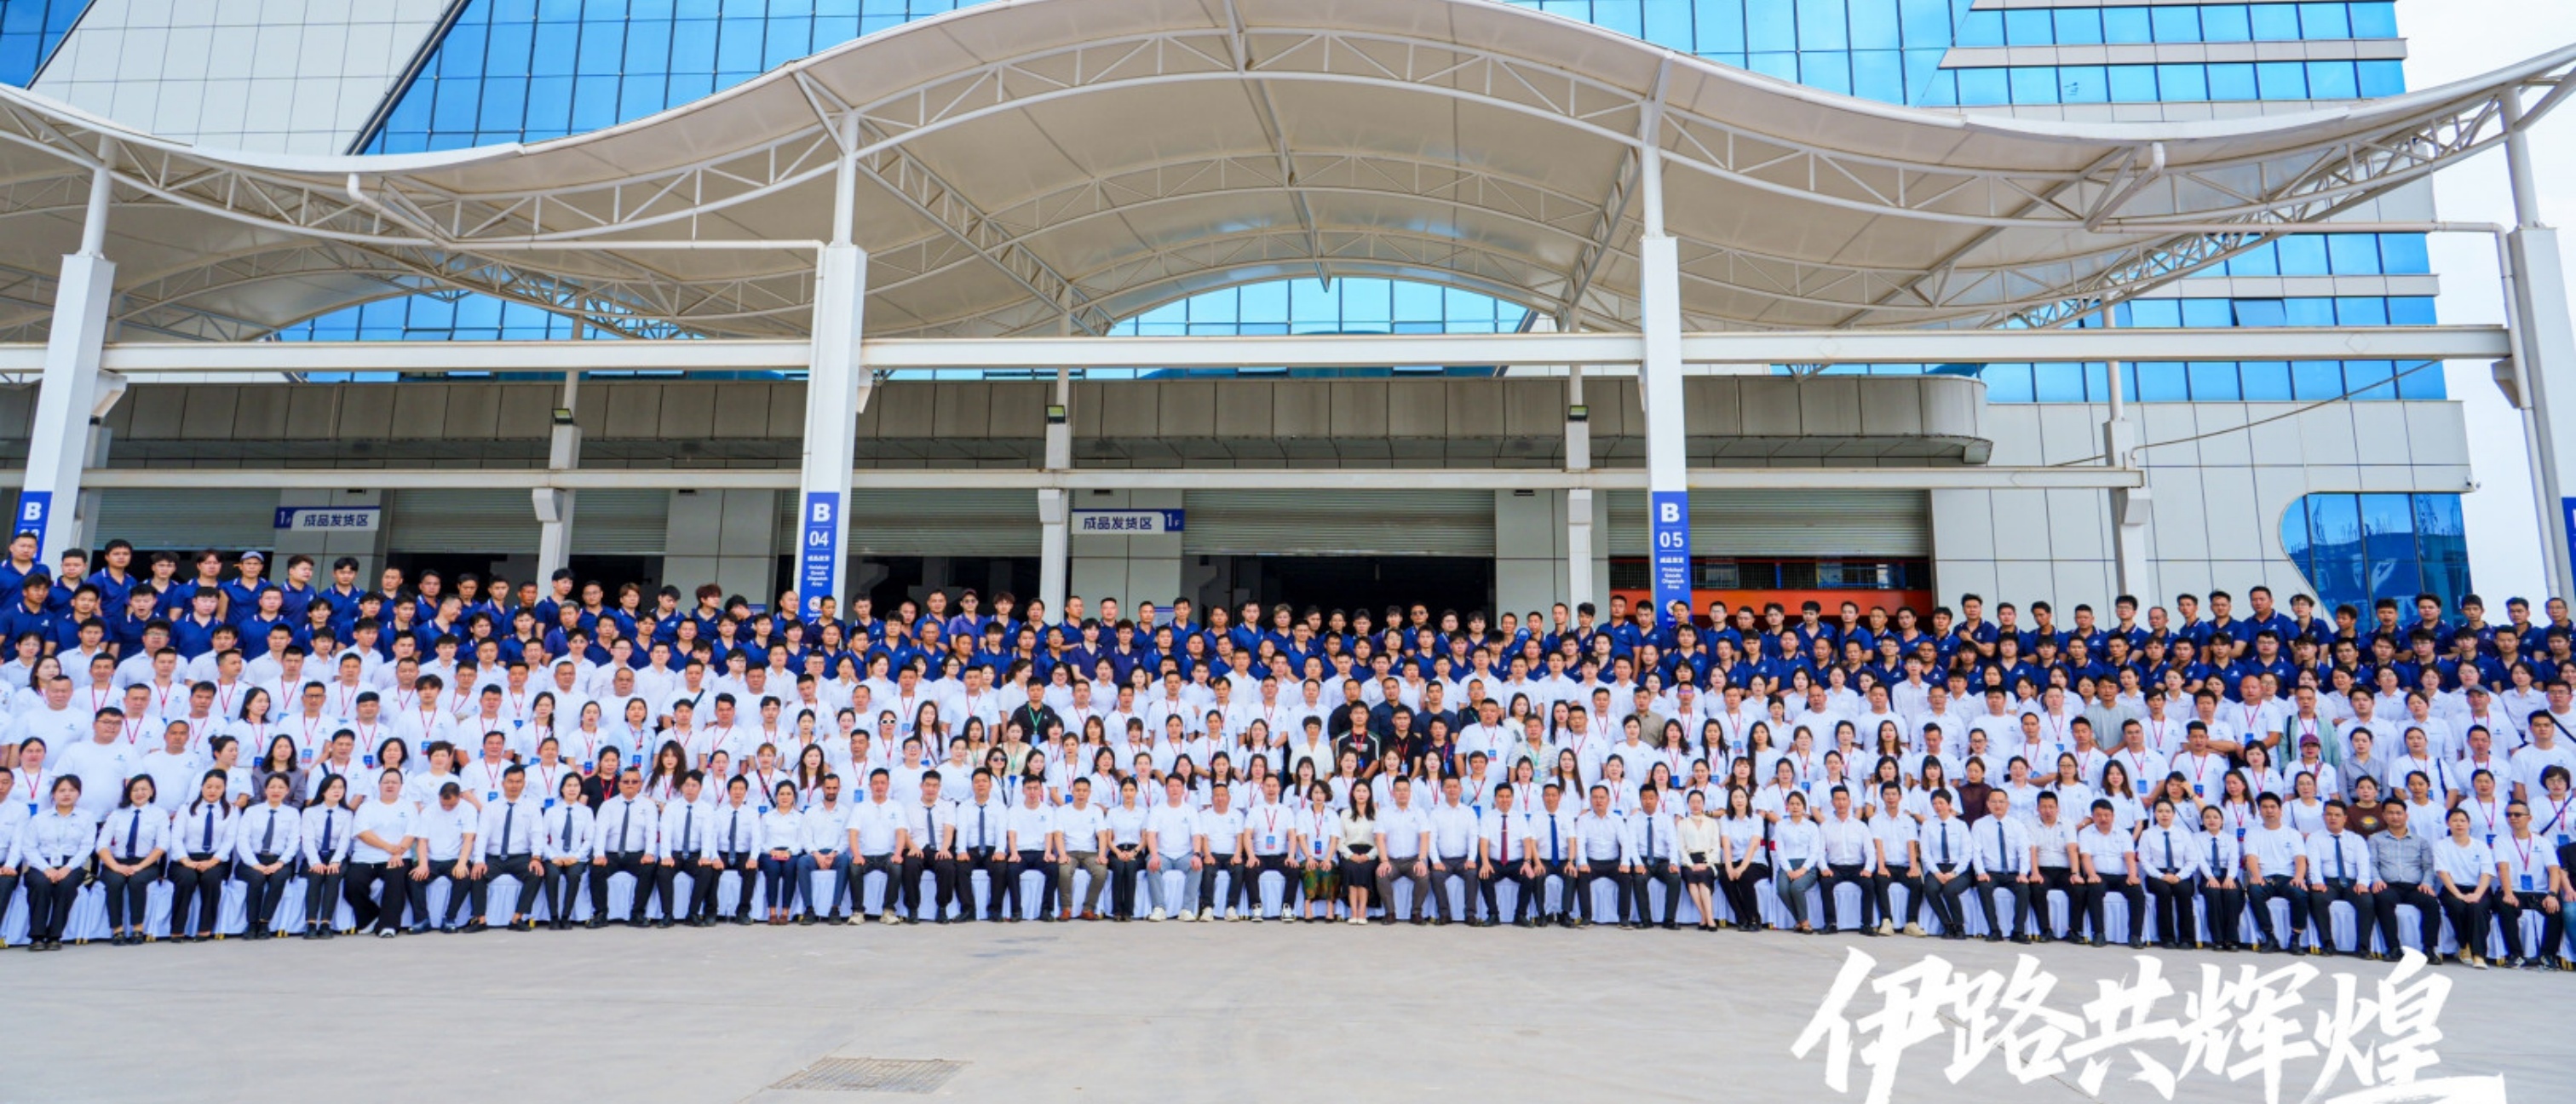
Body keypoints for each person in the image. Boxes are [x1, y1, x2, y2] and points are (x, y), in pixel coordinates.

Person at [16, 776, 91, 950]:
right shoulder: (39, 819)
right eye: (62, 791)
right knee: (40, 884)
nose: (67, 794)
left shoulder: (86, 818)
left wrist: (68, 867)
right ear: (53, 794)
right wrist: (46, 868)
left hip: (71, 864)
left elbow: (86, 847)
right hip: (42, 864)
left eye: (72, 790)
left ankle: (55, 935)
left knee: (66, 885)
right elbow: (29, 848)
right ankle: (37, 936)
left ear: (79, 794)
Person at [94, 774, 168, 945]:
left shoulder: (159, 814)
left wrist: (139, 867)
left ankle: (137, 928)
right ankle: (117, 930)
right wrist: (116, 866)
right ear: (128, 793)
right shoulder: (117, 814)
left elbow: (162, 846)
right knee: (115, 882)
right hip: (117, 862)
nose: (139, 793)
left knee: (137, 881)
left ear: (152, 791)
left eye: (144, 789)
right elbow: (102, 845)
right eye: (135, 790)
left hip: (145, 863)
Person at [165, 770, 235, 943]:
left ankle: (205, 927)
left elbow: (229, 840)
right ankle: (177, 929)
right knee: (186, 879)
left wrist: (212, 861)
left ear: (224, 789)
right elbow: (176, 838)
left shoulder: (231, 810)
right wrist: (186, 861)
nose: (213, 791)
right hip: (186, 858)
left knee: (211, 879)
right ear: (202, 787)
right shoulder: (186, 809)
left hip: (215, 860)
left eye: (218, 787)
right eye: (209, 786)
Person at [233, 773, 301, 939]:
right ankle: (252, 924)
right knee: (257, 878)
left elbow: (294, 842)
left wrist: (280, 863)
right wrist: (254, 864)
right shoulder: (252, 811)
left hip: (279, 860)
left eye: (281, 787)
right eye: (272, 787)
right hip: (252, 860)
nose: (276, 791)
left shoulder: (292, 813)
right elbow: (242, 840)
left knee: (279, 878)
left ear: (287, 791)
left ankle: (264, 923)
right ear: (265, 790)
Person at [2429, 806, 2496, 969]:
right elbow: (2443, 873)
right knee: (2457, 906)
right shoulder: (2441, 845)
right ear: (2448, 823)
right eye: (2455, 821)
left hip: (2479, 889)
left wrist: (2477, 894)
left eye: (2462, 821)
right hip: (2453, 889)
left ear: (2469, 823)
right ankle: (2464, 945)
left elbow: (2487, 873)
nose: (2459, 824)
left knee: (2477, 908)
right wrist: (2459, 895)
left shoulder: (2480, 846)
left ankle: (2479, 955)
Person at [300, 773, 354, 938]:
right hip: (315, 855)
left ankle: (325, 923)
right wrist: (315, 862)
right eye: (333, 787)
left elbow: (344, 841)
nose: (337, 791)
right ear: (323, 791)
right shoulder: (310, 812)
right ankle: (311, 924)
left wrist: (336, 861)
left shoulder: (347, 813)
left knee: (333, 876)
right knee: (315, 876)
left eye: (341, 788)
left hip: (336, 855)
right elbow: (307, 840)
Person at [2196, 803, 2246, 952]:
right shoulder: (2197, 838)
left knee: (2232, 894)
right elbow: (2200, 860)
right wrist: (2210, 877)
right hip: (2208, 874)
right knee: (2213, 894)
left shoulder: (2230, 839)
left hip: (2228, 874)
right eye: (2207, 817)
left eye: (2215, 817)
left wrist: (2230, 878)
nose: (2212, 820)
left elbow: (2234, 860)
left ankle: (2231, 938)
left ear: (2222, 820)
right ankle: (2217, 938)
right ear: (2202, 821)